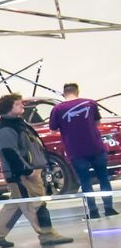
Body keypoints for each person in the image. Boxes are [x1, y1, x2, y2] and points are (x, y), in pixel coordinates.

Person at [0, 94, 75, 248]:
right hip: (22, 175)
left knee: (17, 203)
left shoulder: (17, 124)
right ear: (8, 108)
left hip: (28, 172)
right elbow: (9, 152)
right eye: (17, 104)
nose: (22, 105)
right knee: (36, 204)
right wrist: (27, 171)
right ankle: (47, 234)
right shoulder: (6, 128)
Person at [49, 82, 117, 220]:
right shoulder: (90, 103)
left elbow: (53, 130)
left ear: (64, 93)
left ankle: (93, 211)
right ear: (77, 91)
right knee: (103, 178)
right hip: (96, 147)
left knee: (85, 181)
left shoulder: (57, 109)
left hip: (75, 150)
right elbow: (97, 122)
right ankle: (109, 208)